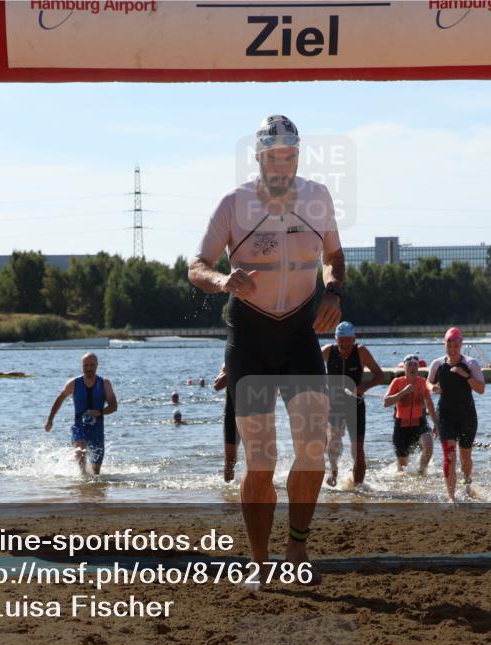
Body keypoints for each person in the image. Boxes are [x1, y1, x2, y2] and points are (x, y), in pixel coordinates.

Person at [188, 114, 344, 577]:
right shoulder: (233, 204)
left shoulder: (317, 198)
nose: (282, 165)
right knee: (260, 460)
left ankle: (296, 550)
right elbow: (196, 264)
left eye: (290, 156)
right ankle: (259, 562)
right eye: (273, 156)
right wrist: (221, 280)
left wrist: (333, 292)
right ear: (258, 157)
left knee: (313, 449)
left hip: (299, 333)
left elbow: (334, 256)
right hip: (250, 335)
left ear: (298, 156)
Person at [322, 321, 384, 487]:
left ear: (354, 339)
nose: (344, 349)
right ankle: (333, 471)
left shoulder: (361, 351)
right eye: (341, 344)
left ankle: (358, 488)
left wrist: (363, 387)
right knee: (332, 442)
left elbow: (380, 375)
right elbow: (309, 369)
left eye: (348, 344)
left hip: (355, 405)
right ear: (336, 340)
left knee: (358, 450)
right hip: (334, 405)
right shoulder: (328, 350)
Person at [429, 327, 486, 502]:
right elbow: (427, 382)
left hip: (467, 416)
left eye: (456, 344)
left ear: (461, 344)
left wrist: (466, 376)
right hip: (445, 416)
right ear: (444, 344)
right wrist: (432, 388)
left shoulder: (471, 364)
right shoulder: (437, 364)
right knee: (449, 456)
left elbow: (481, 389)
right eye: (449, 344)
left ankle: (467, 484)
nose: (452, 348)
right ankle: (451, 496)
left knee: (465, 456)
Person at [44, 352, 118, 476]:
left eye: (92, 365)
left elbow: (114, 406)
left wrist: (99, 412)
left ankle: (90, 492)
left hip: (97, 430)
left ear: (97, 365)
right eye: (86, 365)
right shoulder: (73, 383)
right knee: (81, 451)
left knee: (96, 473)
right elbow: (59, 399)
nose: (89, 368)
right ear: (82, 366)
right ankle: (82, 478)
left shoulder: (105, 383)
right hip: (79, 428)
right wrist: (50, 419)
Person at [384, 354, 439, 474]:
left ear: (418, 368)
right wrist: (403, 392)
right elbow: (386, 402)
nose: (412, 367)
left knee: (428, 446)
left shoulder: (422, 382)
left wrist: (436, 424)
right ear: (404, 368)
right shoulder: (397, 382)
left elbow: (429, 404)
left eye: (415, 365)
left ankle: (421, 472)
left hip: (419, 423)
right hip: (401, 427)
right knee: (402, 470)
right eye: (409, 365)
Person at [213, 364, 239, 482]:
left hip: (254, 413)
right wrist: (233, 368)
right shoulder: (229, 362)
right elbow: (217, 385)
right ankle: (228, 495)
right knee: (230, 461)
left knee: (257, 458)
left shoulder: (259, 357)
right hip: (232, 414)